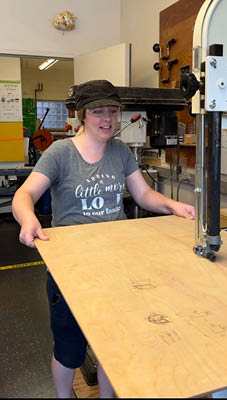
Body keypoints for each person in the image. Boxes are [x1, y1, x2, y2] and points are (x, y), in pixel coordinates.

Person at [11, 80, 195, 398]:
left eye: (112, 111)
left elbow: (143, 194)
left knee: (115, 345)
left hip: (117, 264)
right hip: (71, 269)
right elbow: (25, 193)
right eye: (98, 111)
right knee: (70, 349)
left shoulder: (120, 151)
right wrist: (28, 218)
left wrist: (173, 205)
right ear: (83, 115)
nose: (107, 118)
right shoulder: (61, 153)